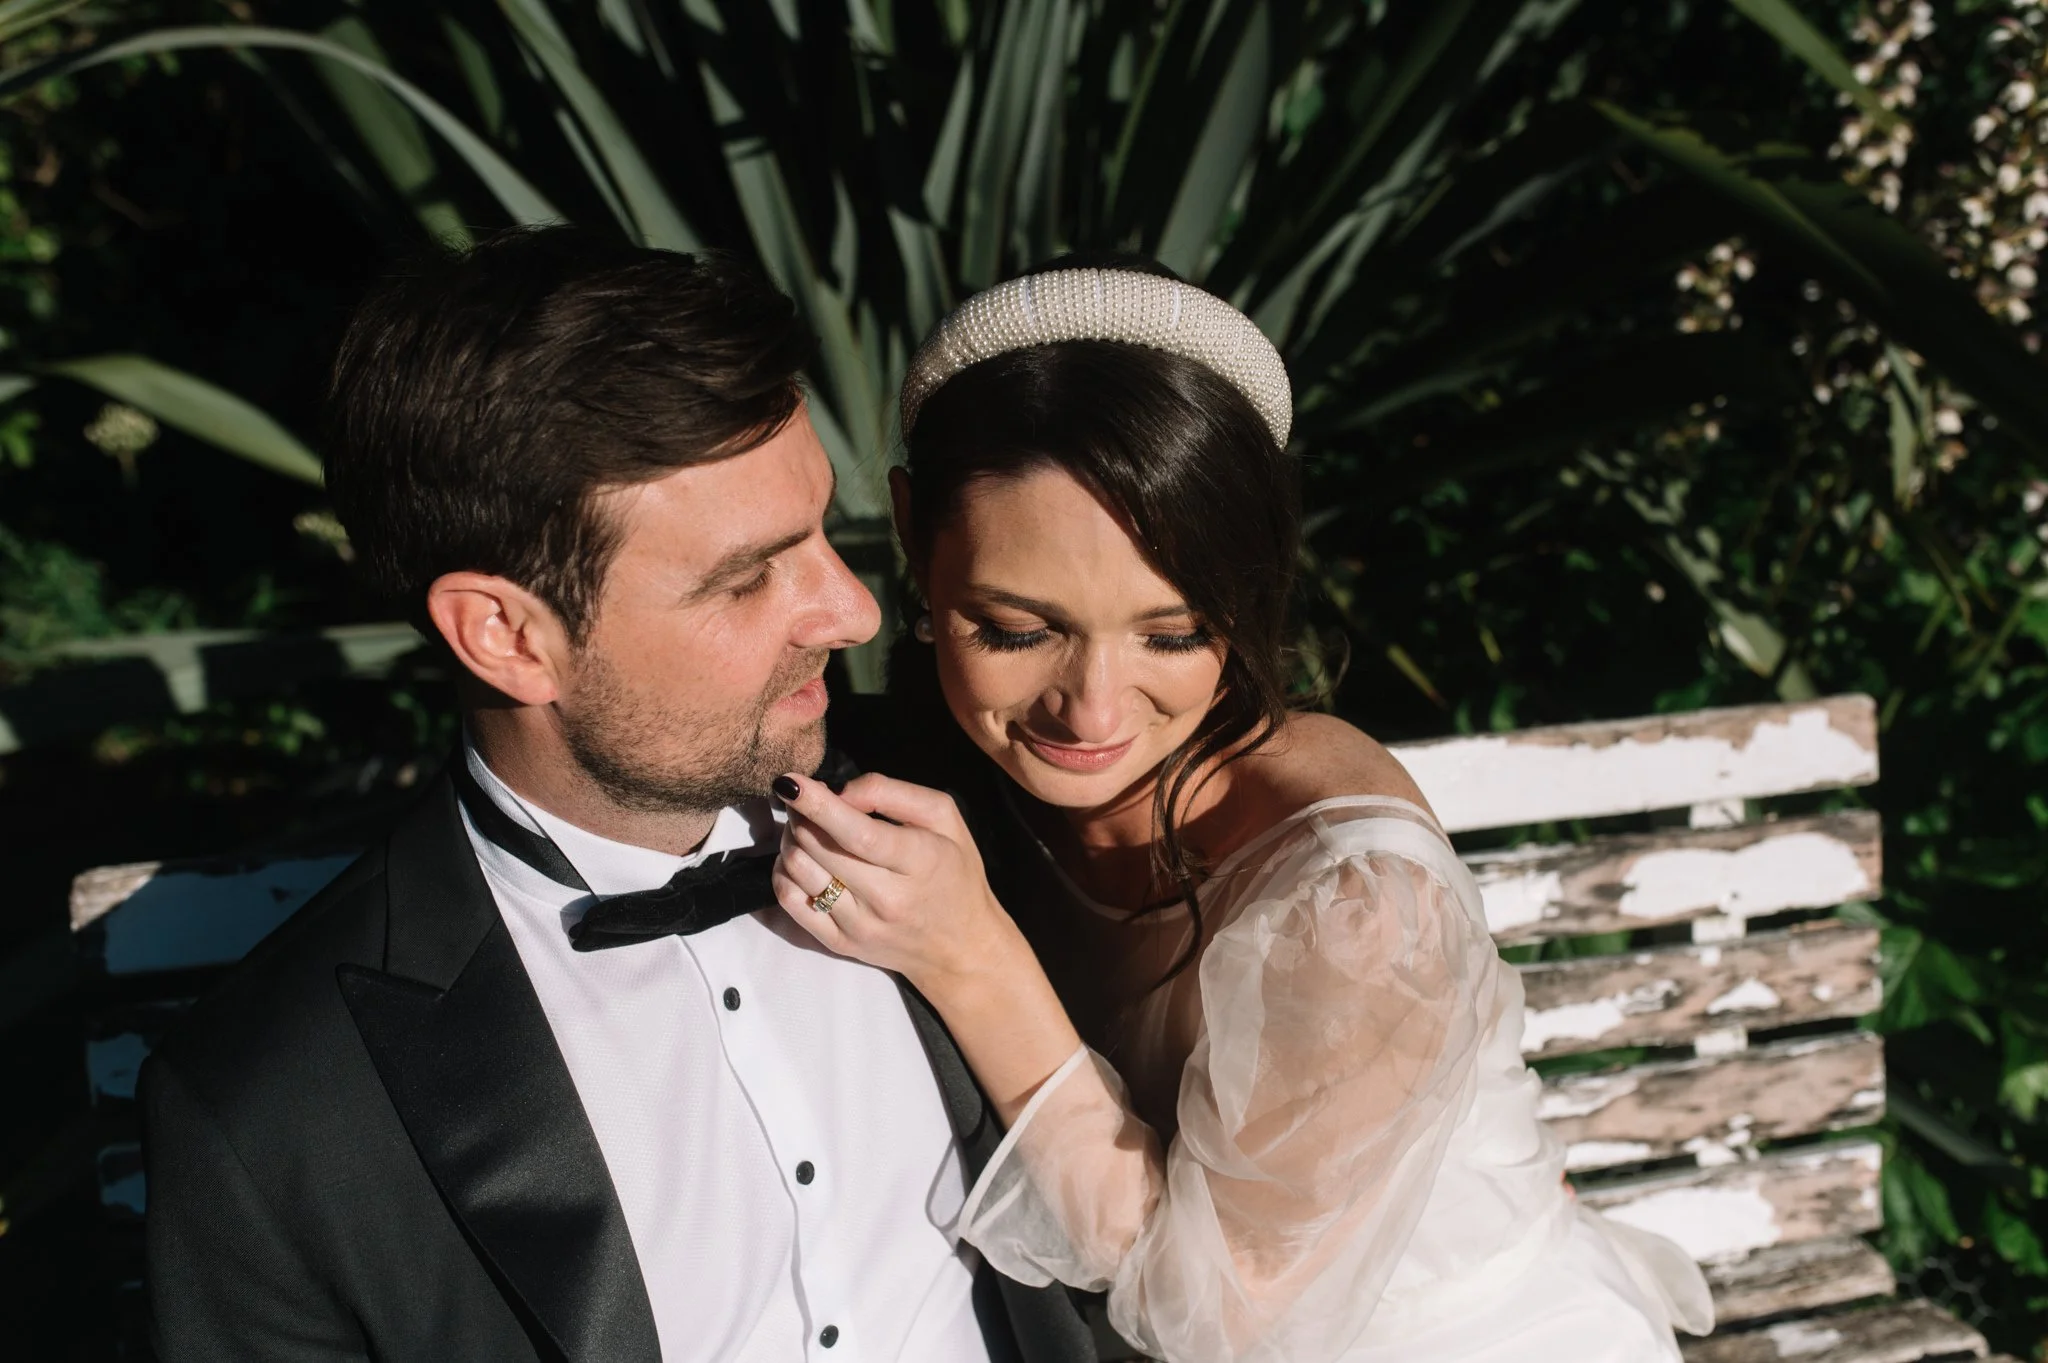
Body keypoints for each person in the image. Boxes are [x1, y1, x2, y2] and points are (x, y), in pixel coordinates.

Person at [138, 227, 1098, 1363]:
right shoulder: (278, 1112)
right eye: (746, 577)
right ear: (504, 636)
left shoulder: (996, 780)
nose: (851, 613)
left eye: (824, 536)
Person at [769, 259, 1718, 1362]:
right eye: (1015, 631)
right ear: (910, 534)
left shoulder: (1352, 903)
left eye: (1171, 636)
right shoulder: (933, 771)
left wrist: (973, 959)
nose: (1090, 709)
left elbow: (1225, 1321)